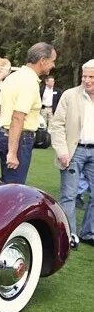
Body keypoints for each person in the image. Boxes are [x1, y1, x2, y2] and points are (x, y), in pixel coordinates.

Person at [0, 42, 57, 185]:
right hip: (19, 139)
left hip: (4, 136)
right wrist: (12, 152)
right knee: (14, 189)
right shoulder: (29, 82)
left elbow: (1, 109)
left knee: (6, 185)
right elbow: (18, 116)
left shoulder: (12, 77)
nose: (53, 65)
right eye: (52, 61)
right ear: (42, 60)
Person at [49, 59, 94, 248]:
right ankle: (69, 235)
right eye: (85, 76)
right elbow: (57, 124)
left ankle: (89, 233)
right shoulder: (70, 95)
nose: (87, 80)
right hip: (73, 151)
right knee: (69, 195)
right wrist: (62, 150)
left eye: (91, 76)